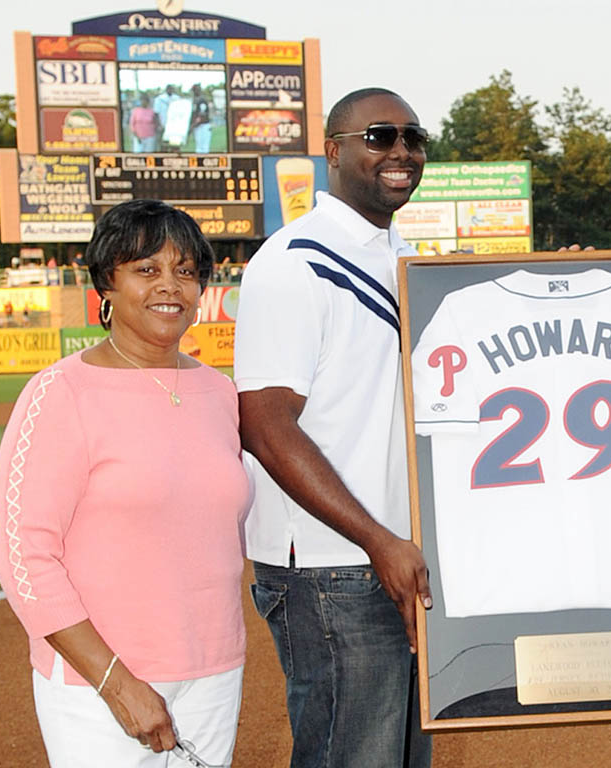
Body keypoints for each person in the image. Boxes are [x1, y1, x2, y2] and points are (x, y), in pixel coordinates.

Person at [0, 200, 250, 768]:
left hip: (213, 675)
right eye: (146, 269)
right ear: (107, 283)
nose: (171, 286)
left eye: (186, 271)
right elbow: (23, 556)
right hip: (100, 687)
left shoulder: (219, 393)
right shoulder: (61, 393)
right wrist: (116, 683)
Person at [233, 88, 432, 768]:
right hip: (332, 565)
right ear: (334, 152)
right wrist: (378, 541)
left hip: (397, 555)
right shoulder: (294, 260)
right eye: (380, 136)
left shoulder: (405, 258)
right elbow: (264, 425)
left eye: (413, 137)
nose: (401, 150)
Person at [153, 85, 178, 150]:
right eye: (169, 89)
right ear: (166, 90)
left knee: (174, 146)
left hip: (174, 127)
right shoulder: (159, 99)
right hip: (163, 126)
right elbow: (156, 113)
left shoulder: (177, 98)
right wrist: (159, 125)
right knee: (163, 146)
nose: (170, 90)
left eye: (171, 89)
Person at [189, 84, 212, 154]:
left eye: (194, 91)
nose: (193, 92)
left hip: (203, 126)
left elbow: (201, 116)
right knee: (199, 148)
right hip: (198, 127)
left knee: (203, 148)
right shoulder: (195, 100)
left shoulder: (202, 100)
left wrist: (192, 126)